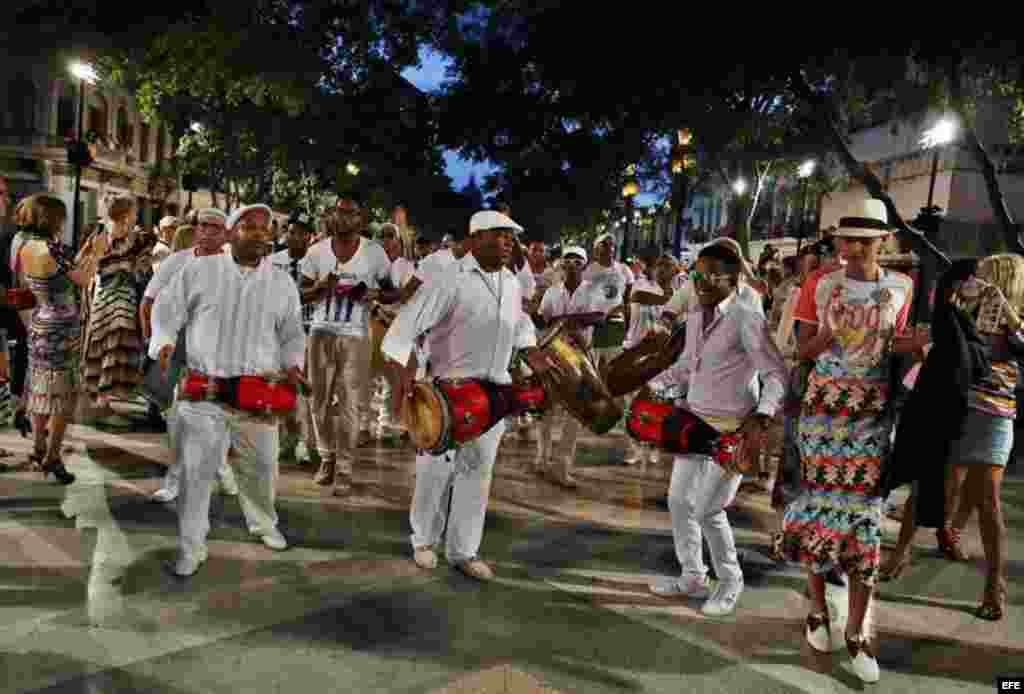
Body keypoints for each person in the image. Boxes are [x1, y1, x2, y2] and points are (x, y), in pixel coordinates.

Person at [781, 200, 927, 684]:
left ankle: (858, 631)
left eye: (865, 240)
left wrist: (927, 342)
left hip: (871, 417)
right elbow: (801, 351)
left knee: (865, 518)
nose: (854, 248)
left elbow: (895, 345)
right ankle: (819, 610)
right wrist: (828, 333)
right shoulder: (820, 284)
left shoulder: (902, 286)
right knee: (819, 507)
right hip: (824, 414)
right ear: (839, 242)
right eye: (847, 239)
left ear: (882, 241)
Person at [381, 210, 544, 581]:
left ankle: (464, 550)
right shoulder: (448, 280)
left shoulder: (512, 282)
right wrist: (406, 371)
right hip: (447, 392)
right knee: (436, 471)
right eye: (500, 235)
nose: (508, 243)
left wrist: (530, 347)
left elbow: (519, 323)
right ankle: (423, 540)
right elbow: (404, 326)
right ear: (476, 239)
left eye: (511, 237)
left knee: (478, 473)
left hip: (495, 392)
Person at [150, 203, 307, 577]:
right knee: (195, 473)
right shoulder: (200, 270)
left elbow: (291, 333)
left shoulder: (281, 281)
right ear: (232, 232)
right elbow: (166, 311)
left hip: (258, 392)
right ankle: (191, 547)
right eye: (250, 226)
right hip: (206, 389)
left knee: (264, 466)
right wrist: (164, 342)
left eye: (264, 228)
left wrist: (293, 365)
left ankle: (263, 524)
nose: (259, 233)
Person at [648, 243, 787, 619]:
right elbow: (686, 367)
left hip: (733, 431)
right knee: (679, 501)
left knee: (709, 509)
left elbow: (775, 373)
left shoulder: (746, 316)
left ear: (734, 277)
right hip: (695, 421)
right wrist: (652, 385)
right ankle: (693, 575)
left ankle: (730, 580)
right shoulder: (695, 314)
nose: (702, 282)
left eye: (712, 275)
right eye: (697, 274)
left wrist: (761, 416)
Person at [299, 195, 396, 495]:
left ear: (360, 219)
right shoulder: (315, 251)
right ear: (331, 217)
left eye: (350, 214)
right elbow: (300, 294)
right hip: (320, 332)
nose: (343, 218)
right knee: (318, 399)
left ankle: (345, 467)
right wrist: (319, 288)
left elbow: (392, 294)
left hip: (356, 334)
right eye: (338, 213)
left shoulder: (374, 253)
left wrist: (371, 294)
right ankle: (326, 457)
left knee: (351, 402)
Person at [142, 209, 239, 503]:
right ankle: (175, 480)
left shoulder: (235, 266)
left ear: (226, 234)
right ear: (195, 229)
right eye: (203, 226)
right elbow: (149, 300)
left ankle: (221, 467)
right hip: (179, 345)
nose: (208, 232)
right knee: (177, 415)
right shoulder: (177, 261)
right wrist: (153, 341)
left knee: (219, 413)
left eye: (216, 228)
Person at [12, 195, 96, 483]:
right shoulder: (52, 247)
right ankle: (53, 456)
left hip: (39, 320)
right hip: (62, 326)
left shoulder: (22, 244)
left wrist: (82, 253)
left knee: (40, 388)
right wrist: (95, 253)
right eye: (60, 217)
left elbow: (34, 281)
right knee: (64, 395)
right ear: (50, 219)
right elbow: (84, 279)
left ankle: (37, 447)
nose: (64, 222)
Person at [535, 245, 605, 487]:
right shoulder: (552, 292)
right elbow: (542, 319)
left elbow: (599, 317)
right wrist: (566, 322)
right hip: (554, 355)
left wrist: (565, 320)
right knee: (547, 409)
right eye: (568, 259)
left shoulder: (592, 291)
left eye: (578, 259)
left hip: (581, 356)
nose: (573, 263)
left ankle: (562, 466)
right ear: (562, 264)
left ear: (584, 265)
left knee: (576, 414)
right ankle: (542, 459)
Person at [78, 196, 155, 413]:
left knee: (111, 341)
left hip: (113, 294)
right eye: (134, 211)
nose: (136, 215)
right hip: (114, 295)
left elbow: (143, 267)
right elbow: (82, 261)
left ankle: (104, 398)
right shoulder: (110, 235)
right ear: (126, 213)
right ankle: (102, 398)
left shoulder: (133, 237)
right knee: (111, 340)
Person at [269, 214, 318, 465]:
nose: (296, 236)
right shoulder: (273, 262)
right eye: (292, 231)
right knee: (278, 386)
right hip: (277, 333)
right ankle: (282, 438)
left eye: (303, 232)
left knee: (302, 389)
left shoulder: (318, 262)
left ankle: (303, 442)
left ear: (310, 236)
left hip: (308, 330)